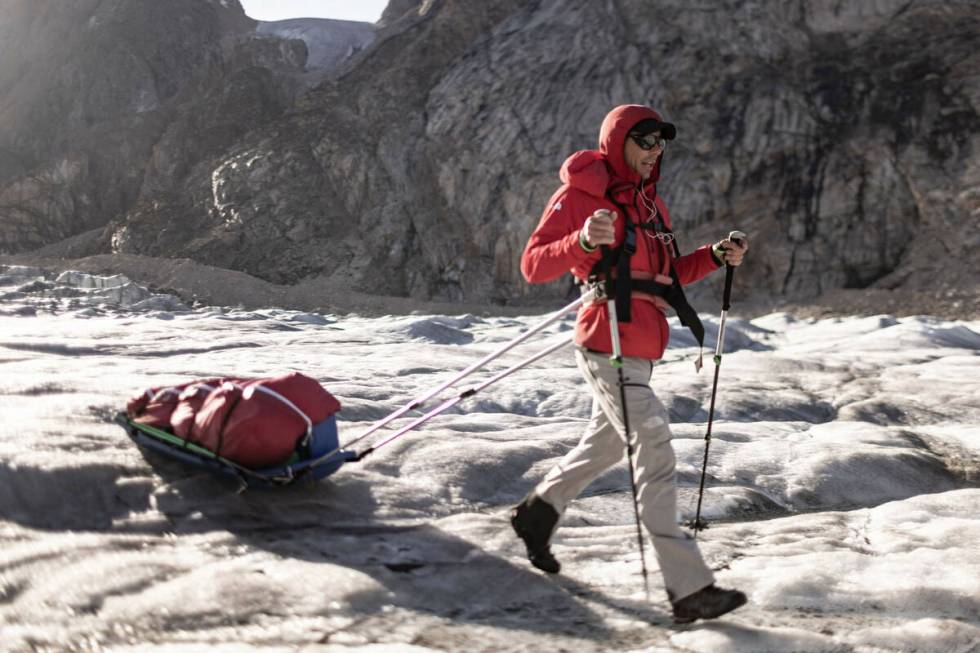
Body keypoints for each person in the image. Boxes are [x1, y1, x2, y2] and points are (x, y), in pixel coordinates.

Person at [512, 104, 748, 624]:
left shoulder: (650, 206)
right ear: (618, 142)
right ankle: (689, 588)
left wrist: (713, 255)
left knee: (607, 442)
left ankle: (538, 512)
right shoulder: (581, 195)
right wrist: (581, 240)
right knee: (655, 443)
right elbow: (533, 265)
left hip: (641, 344)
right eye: (644, 141)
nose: (654, 151)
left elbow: (668, 274)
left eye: (661, 143)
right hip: (606, 341)